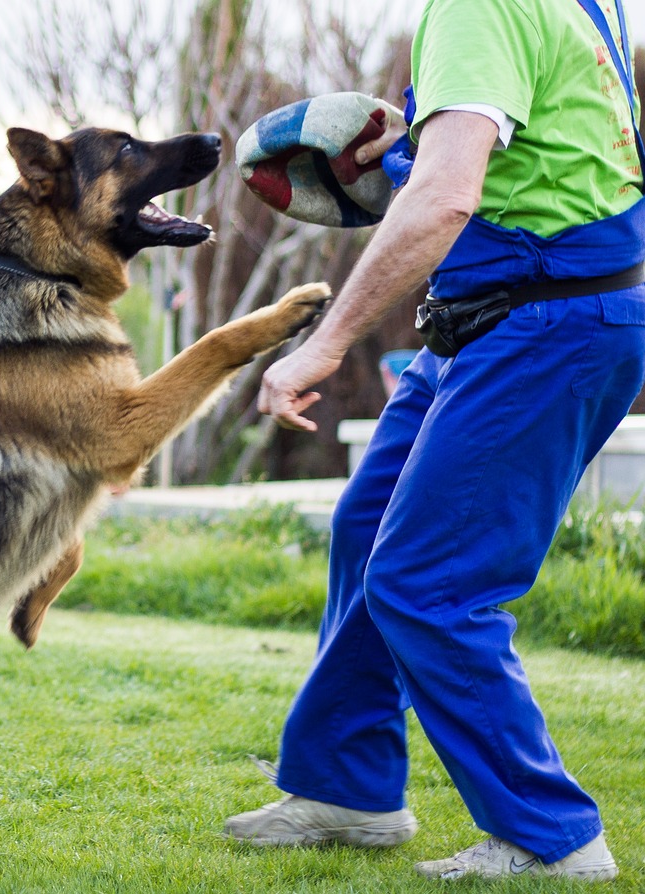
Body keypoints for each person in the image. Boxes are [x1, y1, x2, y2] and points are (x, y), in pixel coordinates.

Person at [228, 0, 645, 882]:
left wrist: (326, 343)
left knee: (430, 583)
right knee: (366, 528)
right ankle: (349, 789)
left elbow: (449, 198)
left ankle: (552, 838)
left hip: (543, 320)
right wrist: (412, 141)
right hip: (498, 313)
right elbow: (536, 166)